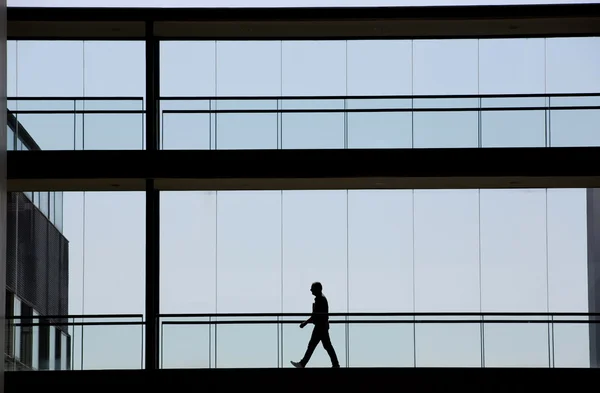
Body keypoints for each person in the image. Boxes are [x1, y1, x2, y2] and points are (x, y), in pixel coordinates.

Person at [291, 282, 340, 368]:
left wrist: (305, 323)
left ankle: (302, 364)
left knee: (313, 345)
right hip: (322, 326)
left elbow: (315, 315)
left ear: (318, 289)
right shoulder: (322, 299)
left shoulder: (320, 299)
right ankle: (335, 364)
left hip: (320, 326)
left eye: (312, 288)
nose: (311, 290)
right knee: (326, 346)